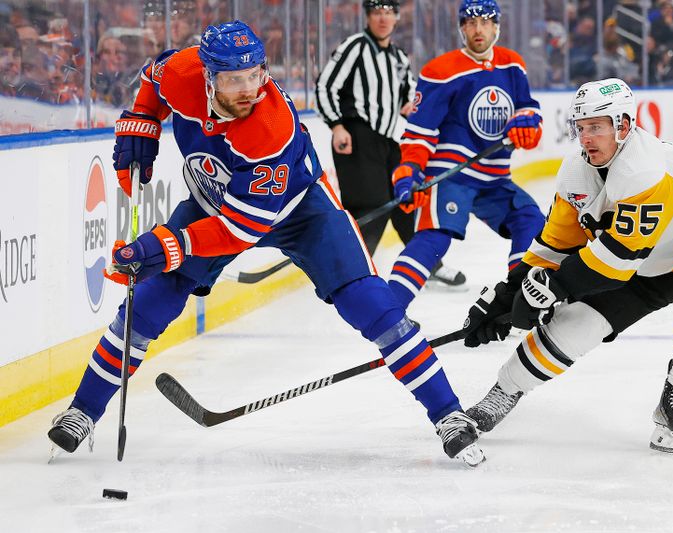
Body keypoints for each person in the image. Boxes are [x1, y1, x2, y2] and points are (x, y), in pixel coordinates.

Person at [47, 21, 483, 467]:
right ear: (208, 76)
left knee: (374, 307)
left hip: (302, 211)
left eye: (256, 75)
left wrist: (167, 245)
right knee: (150, 303)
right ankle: (82, 410)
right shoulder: (182, 73)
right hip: (211, 203)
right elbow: (154, 80)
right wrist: (141, 120)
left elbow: (238, 230)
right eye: (235, 79)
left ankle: (449, 414)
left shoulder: (270, 127)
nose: (249, 89)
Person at [462, 78, 673, 454]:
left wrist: (552, 289)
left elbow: (616, 258)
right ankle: (501, 394)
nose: (586, 138)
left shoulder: (644, 168)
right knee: (575, 324)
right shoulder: (576, 173)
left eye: (597, 127)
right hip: (647, 262)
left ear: (623, 125)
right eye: (582, 128)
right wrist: (508, 293)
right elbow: (556, 244)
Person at [386, 0, 546, 310]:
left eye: (485, 22)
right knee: (434, 238)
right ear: (462, 28)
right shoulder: (440, 71)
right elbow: (420, 133)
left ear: (496, 27)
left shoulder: (512, 65)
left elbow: (528, 108)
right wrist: (409, 169)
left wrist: (528, 125)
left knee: (531, 221)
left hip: (495, 179)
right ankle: (389, 309)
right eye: (471, 23)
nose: (478, 29)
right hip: (451, 176)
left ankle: (515, 303)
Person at [315, 0, 467, 289]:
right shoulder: (355, 47)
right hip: (356, 136)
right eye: (376, 12)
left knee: (405, 198)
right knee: (369, 205)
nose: (382, 18)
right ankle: (353, 272)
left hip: (385, 140)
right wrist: (337, 126)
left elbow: (409, 99)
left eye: (388, 13)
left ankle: (429, 263)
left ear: (396, 18)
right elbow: (325, 86)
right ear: (368, 16)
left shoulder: (397, 56)